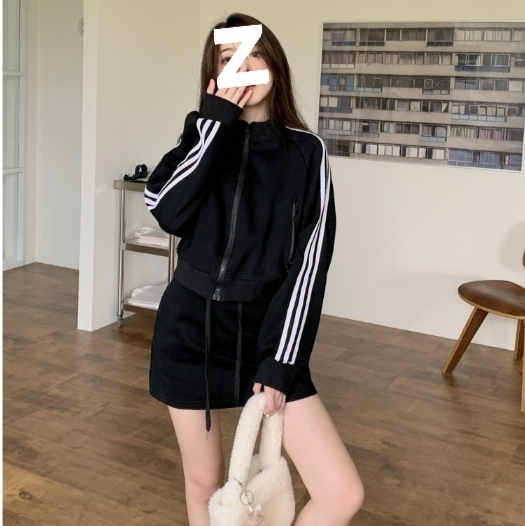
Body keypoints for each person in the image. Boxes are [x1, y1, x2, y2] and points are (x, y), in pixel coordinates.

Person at [144, 12, 364, 526]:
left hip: (268, 338)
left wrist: (282, 361)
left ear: (275, 65)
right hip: (188, 333)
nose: (243, 66)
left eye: (254, 54)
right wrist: (214, 123)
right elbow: (166, 210)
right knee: (205, 485)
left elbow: (310, 263)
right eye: (228, 58)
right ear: (214, 74)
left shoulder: (306, 152)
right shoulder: (200, 138)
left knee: (341, 493)